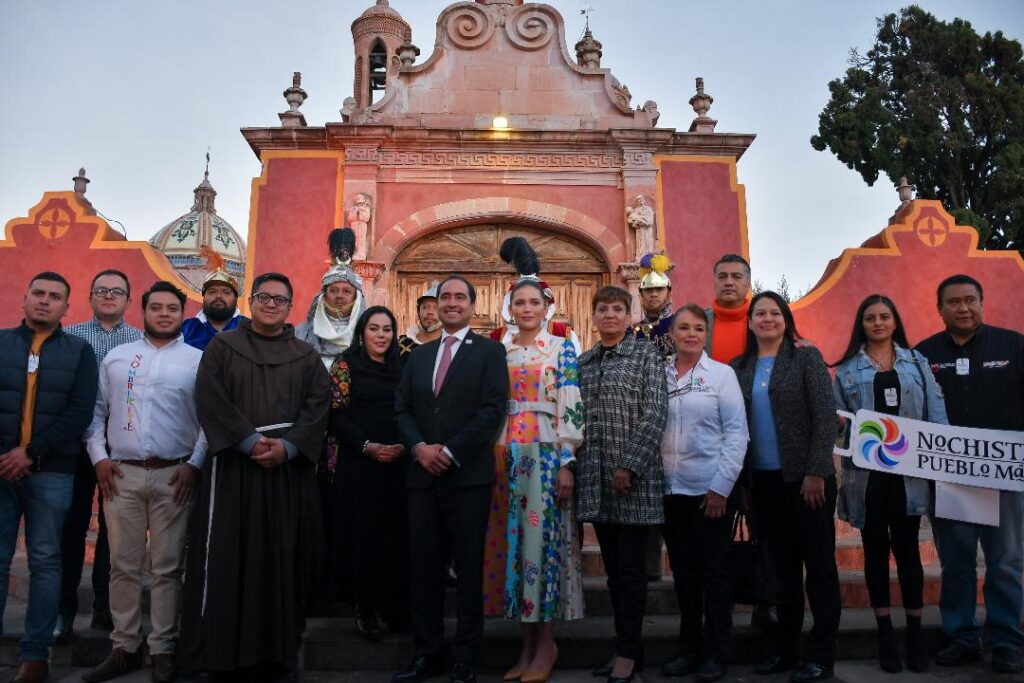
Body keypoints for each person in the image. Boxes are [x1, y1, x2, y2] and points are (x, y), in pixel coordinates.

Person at [180, 272, 330, 681]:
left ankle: (278, 655)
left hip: (285, 476)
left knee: (280, 559)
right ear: (251, 300)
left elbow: (318, 408)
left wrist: (289, 447)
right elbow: (210, 398)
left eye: (279, 300)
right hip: (233, 471)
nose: (270, 304)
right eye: (263, 297)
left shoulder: (306, 356)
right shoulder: (223, 347)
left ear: (290, 307)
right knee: (229, 558)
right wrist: (248, 443)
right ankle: (220, 656)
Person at [81, 281, 207, 683]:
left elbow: (209, 421)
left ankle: (163, 648)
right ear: (144, 311)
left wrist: (195, 464)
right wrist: (99, 460)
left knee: (169, 566)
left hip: (176, 474)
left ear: (183, 313)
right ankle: (124, 647)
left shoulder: (196, 361)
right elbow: (96, 413)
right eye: (157, 307)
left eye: (173, 307)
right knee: (123, 565)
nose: (165, 313)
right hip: (122, 474)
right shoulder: (118, 358)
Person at [392, 275, 508, 683]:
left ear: (472, 305)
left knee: (469, 571)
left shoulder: (491, 352)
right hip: (421, 477)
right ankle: (427, 654)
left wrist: (452, 450)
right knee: (424, 570)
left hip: (468, 477)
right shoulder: (419, 355)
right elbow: (402, 409)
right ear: (436, 305)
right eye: (446, 297)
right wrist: (419, 447)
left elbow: (493, 410)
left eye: (460, 297)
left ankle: (466, 658)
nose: (452, 303)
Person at [832, 294, 948, 673]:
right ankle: (885, 634)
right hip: (867, 479)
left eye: (884, 317)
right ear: (861, 324)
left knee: (909, 551)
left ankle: (914, 633)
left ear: (895, 321)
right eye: (870, 318)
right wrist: (837, 429)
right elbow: (837, 424)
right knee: (876, 551)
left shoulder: (917, 364)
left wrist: (943, 462)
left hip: (908, 476)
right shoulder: (847, 370)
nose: (878, 323)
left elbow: (937, 415)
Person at [915, 274, 1024, 675]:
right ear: (939, 308)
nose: (963, 308)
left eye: (970, 300)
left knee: (1006, 562)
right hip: (951, 478)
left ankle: (1006, 640)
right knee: (957, 562)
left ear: (982, 302)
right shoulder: (923, 355)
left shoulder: (1013, 345)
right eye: (954, 302)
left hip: (1006, 478)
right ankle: (962, 636)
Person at [730, 292, 840, 683]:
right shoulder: (738, 367)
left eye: (774, 313)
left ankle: (821, 655)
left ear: (786, 319)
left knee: (821, 568)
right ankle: (787, 650)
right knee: (783, 572)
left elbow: (826, 417)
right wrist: (742, 484)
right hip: (763, 484)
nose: (767, 319)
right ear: (749, 322)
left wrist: (815, 470)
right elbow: (734, 429)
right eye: (759, 313)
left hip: (808, 482)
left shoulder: (805, 357)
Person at [0, 272, 98, 683]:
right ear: (24, 299)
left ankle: (35, 656)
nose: (45, 301)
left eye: (55, 296)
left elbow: (79, 412)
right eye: (38, 293)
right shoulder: (1, 343)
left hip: (52, 472)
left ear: (66, 307)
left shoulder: (79, 352)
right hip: (1, 470)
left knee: (45, 561)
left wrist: (32, 452)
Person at [489, 278, 585, 683]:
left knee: (542, 550)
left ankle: (546, 644)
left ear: (547, 307)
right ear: (510, 308)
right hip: (505, 455)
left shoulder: (561, 349)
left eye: (534, 303)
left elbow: (571, 406)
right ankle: (525, 645)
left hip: (545, 454)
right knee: (515, 551)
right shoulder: (499, 352)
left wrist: (567, 460)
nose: (527, 309)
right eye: (520, 303)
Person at [577, 285, 667, 683]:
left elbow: (656, 412)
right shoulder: (584, 362)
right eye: (603, 309)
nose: (610, 315)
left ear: (628, 316)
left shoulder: (647, 355)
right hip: (596, 480)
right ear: (594, 317)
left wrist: (630, 464)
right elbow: (574, 419)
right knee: (614, 572)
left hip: (634, 482)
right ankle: (621, 648)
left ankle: (631, 652)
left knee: (631, 572)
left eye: (617, 309)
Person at [659, 305, 748, 682]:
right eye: (684, 327)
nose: (691, 334)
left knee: (715, 575)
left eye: (698, 328)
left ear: (706, 334)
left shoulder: (722, 375)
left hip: (708, 492)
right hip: (668, 491)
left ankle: (716, 652)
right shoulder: (659, 374)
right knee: (684, 576)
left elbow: (736, 434)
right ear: (673, 333)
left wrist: (720, 488)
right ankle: (688, 648)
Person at [60, 269, 142, 642]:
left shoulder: (139, 342)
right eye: (102, 290)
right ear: (90, 296)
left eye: (117, 291)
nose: (109, 296)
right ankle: (63, 610)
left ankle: (105, 611)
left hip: (119, 449)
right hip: (72, 448)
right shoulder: (70, 337)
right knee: (72, 527)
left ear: (128, 299)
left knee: (115, 532)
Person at [326, 306, 409, 641]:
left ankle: (394, 605)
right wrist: (366, 445)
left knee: (395, 535)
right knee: (363, 537)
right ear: (362, 332)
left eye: (387, 329)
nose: (380, 335)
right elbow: (336, 415)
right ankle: (365, 608)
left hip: (399, 463)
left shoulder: (403, 368)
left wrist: (404, 445)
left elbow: (412, 410)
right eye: (374, 328)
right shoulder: (345, 366)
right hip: (359, 463)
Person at [296, 228, 365, 369]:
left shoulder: (367, 337)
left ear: (356, 298)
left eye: (346, 291)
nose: (339, 295)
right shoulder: (300, 334)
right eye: (333, 290)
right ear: (323, 295)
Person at [181, 264, 246, 351]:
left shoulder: (250, 328)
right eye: (212, 292)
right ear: (204, 298)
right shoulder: (185, 328)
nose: (219, 296)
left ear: (236, 299)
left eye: (226, 292)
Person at [704, 254, 752, 363]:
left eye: (736, 277)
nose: (729, 282)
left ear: (748, 284)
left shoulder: (765, 323)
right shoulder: (696, 321)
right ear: (714, 282)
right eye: (722, 276)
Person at [630, 252, 675, 360]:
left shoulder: (682, 327)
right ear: (641, 294)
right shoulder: (631, 333)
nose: (654, 294)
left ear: (669, 293)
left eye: (659, 289)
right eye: (649, 290)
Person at [398, 281, 442, 357]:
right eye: (425, 307)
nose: (430, 312)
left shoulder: (453, 347)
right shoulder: (401, 346)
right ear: (418, 312)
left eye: (436, 308)